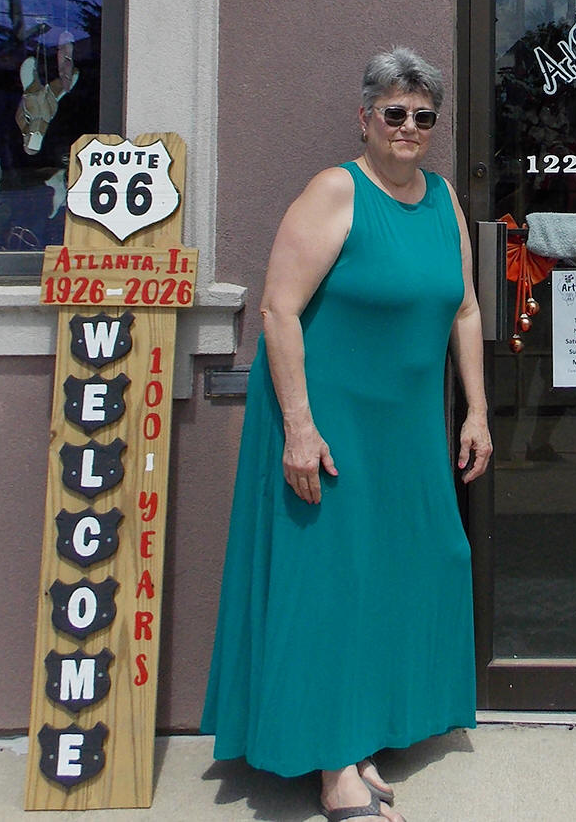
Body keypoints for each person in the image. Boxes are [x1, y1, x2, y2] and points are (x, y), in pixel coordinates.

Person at [202, 48, 492, 822]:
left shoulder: (442, 200)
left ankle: (363, 733)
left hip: (406, 429)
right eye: (393, 113)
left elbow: (465, 308)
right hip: (330, 424)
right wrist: (298, 427)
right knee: (333, 581)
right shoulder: (336, 191)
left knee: (400, 570)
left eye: (423, 116)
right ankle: (336, 770)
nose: (408, 127)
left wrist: (476, 410)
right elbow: (278, 310)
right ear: (365, 118)